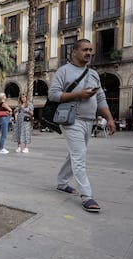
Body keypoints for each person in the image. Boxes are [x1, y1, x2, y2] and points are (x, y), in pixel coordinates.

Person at [48, 38, 116, 212]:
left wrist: (109, 119)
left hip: (89, 121)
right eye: (85, 49)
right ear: (75, 52)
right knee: (79, 155)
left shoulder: (93, 74)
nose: (89, 53)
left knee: (75, 154)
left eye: (90, 50)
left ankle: (62, 182)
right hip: (71, 119)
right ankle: (87, 195)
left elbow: (100, 98)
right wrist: (78, 94)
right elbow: (53, 95)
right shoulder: (63, 71)